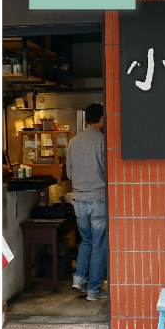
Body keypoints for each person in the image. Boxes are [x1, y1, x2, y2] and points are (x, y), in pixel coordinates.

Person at [67, 103, 108, 301]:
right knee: (99, 244)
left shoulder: (73, 142)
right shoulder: (102, 141)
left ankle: (78, 278)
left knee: (86, 240)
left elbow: (68, 173)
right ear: (102, 119)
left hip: (79, 200)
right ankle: (93, 290)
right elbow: (107, 172)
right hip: (98, 199)